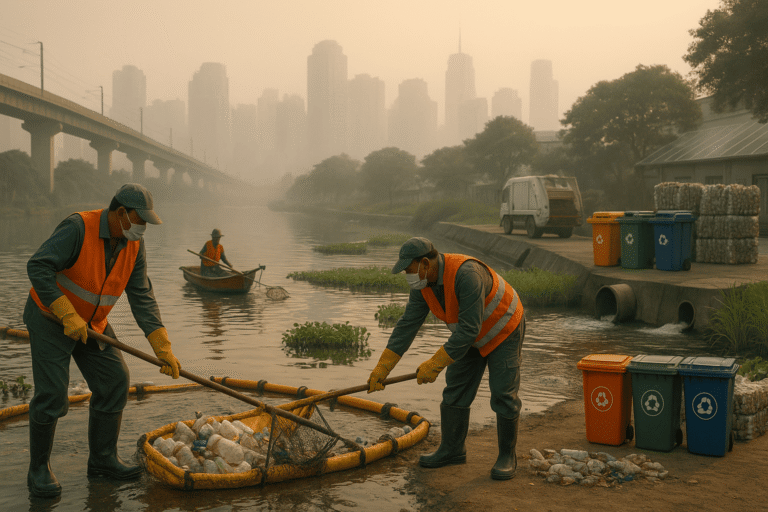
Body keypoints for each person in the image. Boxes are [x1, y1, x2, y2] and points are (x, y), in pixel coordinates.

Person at [24, 183, 182, 498]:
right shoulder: (78, 227)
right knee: (53, 394)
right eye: (140, 220)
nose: (143, 228)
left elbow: (142, 298)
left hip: (93, 323)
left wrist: (163, 347)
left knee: (114, 380)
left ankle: (102, 461)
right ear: (120, 212)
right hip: (51, 317)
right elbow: (38, 266)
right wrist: (67, 313)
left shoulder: (135, 246)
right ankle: (38, 469)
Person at [367, 237, 525, 480]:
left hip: (503, 330)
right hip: (468, 337)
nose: (408, 275)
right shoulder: (422, 286)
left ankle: (507, 456)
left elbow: (470, 329)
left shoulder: (467, 274)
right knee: (456, 390)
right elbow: (407, 324)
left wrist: (434, 363)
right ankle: (452, 450)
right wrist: (382, 367)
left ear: (425, 264)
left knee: (503, 393)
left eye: (409, 269)